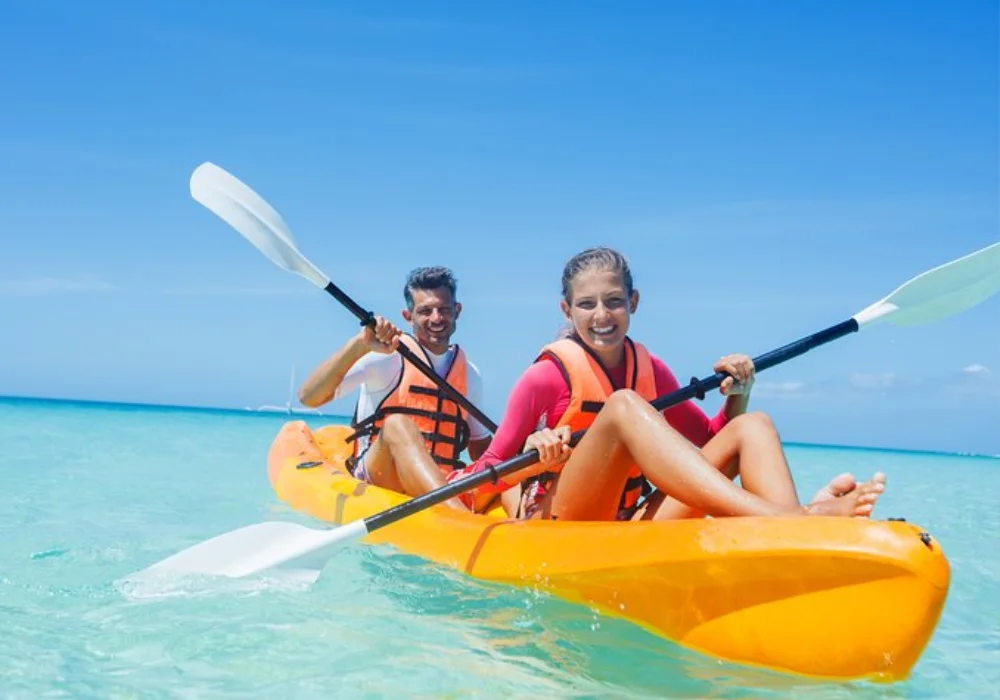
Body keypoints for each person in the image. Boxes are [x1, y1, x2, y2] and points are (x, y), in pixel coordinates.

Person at [447, 246, 886, 521]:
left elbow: (714, 442)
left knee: (753, 425)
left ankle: (790, 523)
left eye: (614, 301)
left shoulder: (651, 370)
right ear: (567, 310)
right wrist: (534, 458)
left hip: (633, 518)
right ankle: (797, 518)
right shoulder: (545, 377)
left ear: (633, 302)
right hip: (562, 520)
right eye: (587, 304)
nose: (602, 315)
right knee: (622, 407)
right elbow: (487, 474)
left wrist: (739, 395)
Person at [298, 266, 492, 511]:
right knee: (396, 424)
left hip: (441, 480)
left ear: (457, 310)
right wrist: (360, 345)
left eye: (444, 309)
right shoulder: (386, 357)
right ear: (408, 315)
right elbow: (309, 397)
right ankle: (457, 516)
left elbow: (481, 449)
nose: (436, 318)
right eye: (424, 311)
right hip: (380, 477)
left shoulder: (470, 375)